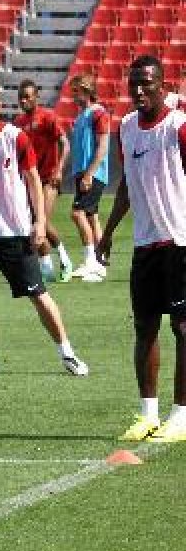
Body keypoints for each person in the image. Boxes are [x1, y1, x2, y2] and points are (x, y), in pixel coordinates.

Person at [0, 83, 88, 377]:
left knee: (38, 295)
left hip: (14, 233)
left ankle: (68, 354)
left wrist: (38, 223)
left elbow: (33, 180)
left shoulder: (15, 138)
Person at [98, 55, 186, 442]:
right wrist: (107, 232)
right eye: (133, 83)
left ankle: (181, 416)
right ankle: (148, 414)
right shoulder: (127, 128)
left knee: (183, 328)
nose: (139, 90)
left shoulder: (179, 127)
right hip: (145, 244)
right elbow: (126, 186)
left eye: (147, 83)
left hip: (181, 241)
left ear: (162, 84)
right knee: (144, 328)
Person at [14, 80, 75, 282]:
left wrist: (59, 170)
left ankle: (65, 260)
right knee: (34, 224)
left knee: (43, 221)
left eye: (28, 96)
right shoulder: (19, 123)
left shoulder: (47, 117)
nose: (24, 100)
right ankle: (47, 269)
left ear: (36, 97)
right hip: (31, 182)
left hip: (48, 179)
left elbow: (65, 144)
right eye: (21, 97)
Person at [67, 74, 111, 282]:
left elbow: (103, 146)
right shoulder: (82, 116)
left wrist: (90, 173)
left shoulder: (98, 113)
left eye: (77, 91)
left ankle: (90, 261)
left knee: (77, 214)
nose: (73, 96)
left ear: (87, 91)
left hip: (92, 174)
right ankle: (100, 264)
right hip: (84, 173)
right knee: (92, 216)